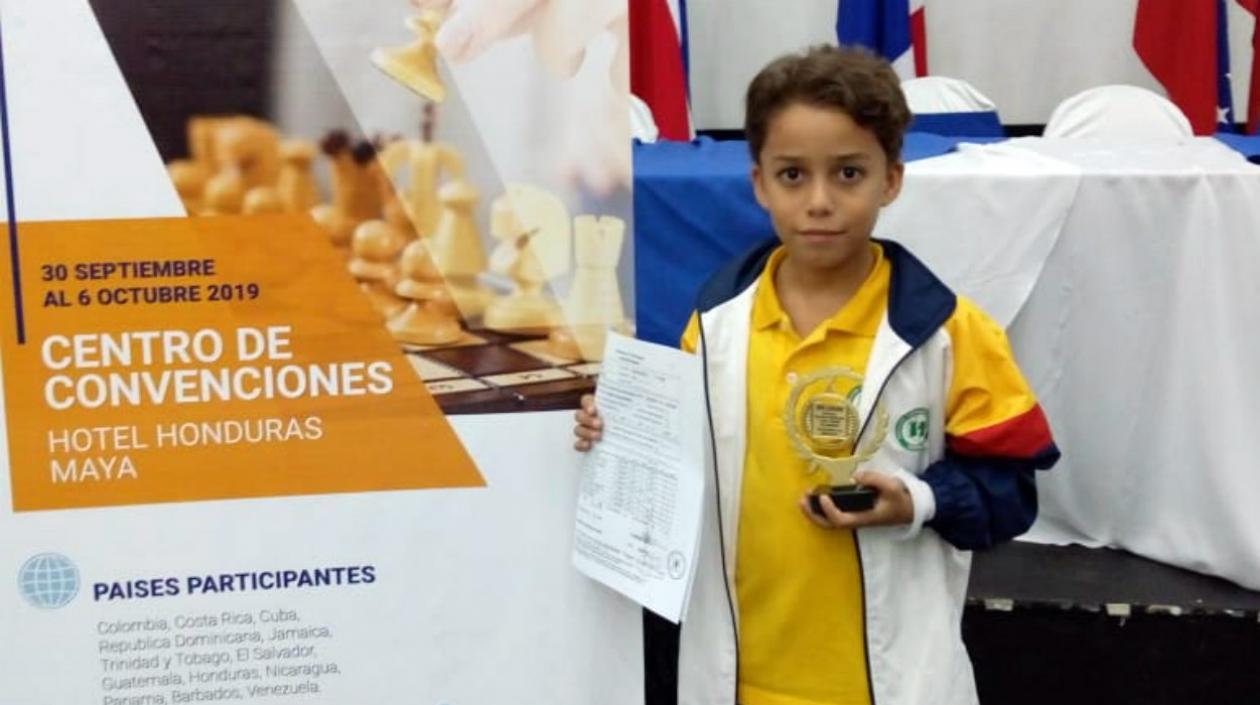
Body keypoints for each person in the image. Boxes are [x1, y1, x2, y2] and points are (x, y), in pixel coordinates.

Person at [574, 45, 1059, 705]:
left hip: (894, 684)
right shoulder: (712, 326)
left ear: (892, 179)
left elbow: (1010, 494)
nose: (820, 201)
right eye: (793, 175)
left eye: (849, 173)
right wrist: (613, 430)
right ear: (758, 183)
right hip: (737, 678)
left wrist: (914, 502)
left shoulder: (950, 333)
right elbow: (678, 468)